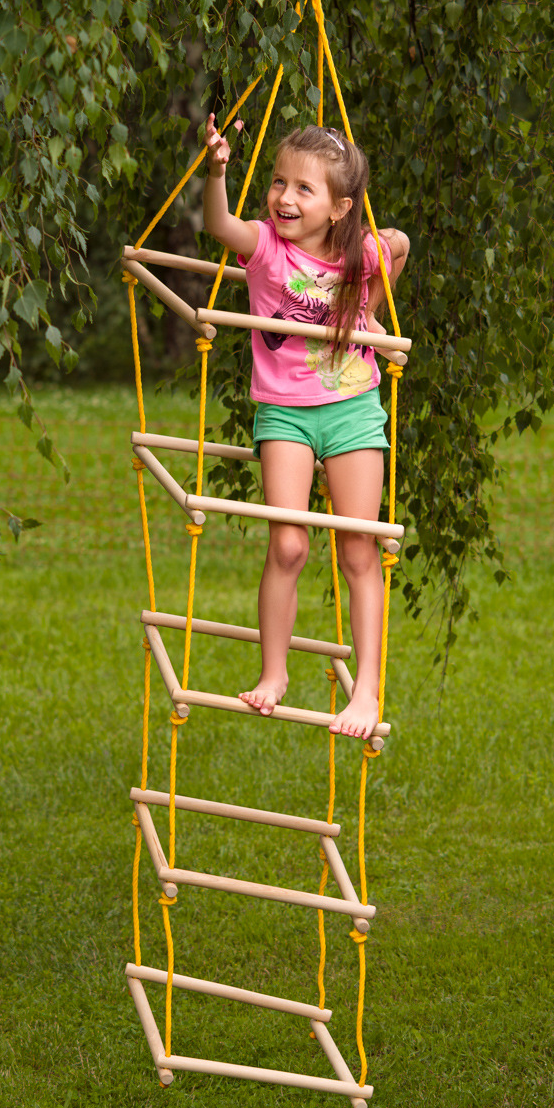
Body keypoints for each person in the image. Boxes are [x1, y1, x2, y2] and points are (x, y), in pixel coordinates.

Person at [202, 114, 409, 740]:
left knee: (359, 550)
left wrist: (369, 312)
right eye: (278, 182)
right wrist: (217, 172)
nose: (284, 197)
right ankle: (274, 673)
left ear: (340, 208)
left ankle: (366, 691)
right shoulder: (267, 248)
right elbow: (220, 226)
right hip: (285, 412)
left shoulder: (359, 255)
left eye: (303, 188)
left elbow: (399, 244)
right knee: (288, 545)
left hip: (352, 409)